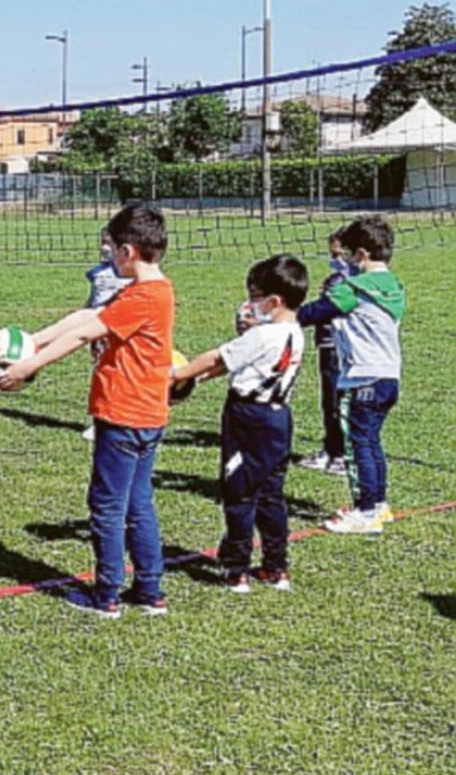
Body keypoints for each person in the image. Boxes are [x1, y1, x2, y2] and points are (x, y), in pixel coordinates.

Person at [0, 205, 175, 618]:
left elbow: (82, 333)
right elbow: (86, 315)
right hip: (149, 414)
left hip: (124, 414)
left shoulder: (143, 297)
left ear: (128, 252)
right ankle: (150, 590)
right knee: (138, 503)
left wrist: (28, 367)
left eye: (111, 250)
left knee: (109, 505)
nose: (109, 257)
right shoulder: (153, 290)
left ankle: (107, 595)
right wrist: (32, 342)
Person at [173, 255, 309, 592]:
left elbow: (218, 357)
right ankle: (276, 567)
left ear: (273, 301)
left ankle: (236, 569)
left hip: (247, 418)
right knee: (271, 494)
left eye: (254, 296)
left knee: (239, 492)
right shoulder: (294, 332)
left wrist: (177, 374)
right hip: (278, 419)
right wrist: (199, 380)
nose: (249, 305)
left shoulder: (262, 336)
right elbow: (232, 365)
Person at [297, 216, 405, 535]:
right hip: (388, 377)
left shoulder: (354, 289)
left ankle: (365, 510)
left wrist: (279, 316)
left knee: (358, 446)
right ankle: (379, 504)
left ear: (360, 255)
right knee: (371, 442)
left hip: (362, 378)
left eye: (348, 255)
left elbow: (316, 312)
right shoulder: (394, 286)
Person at [297, 227, 350, 477]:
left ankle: (340, 454)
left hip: (336, 347)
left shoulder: (345, 281)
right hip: (328, 345)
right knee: (329, 401)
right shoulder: (339, 278)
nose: (334, 258)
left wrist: (287, 317)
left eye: (338, 253)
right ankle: (331, 449)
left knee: (336, 402)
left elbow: (323, 309)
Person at [78, 239, 134, 442]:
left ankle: (119, 417)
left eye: (110, 243)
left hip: (116, 329)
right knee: (100, 373)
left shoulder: (128, 275)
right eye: (102, 242)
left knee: (119, 373)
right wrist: (82, 314)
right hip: (96, 330)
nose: (105, 248)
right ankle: (99, 421)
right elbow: (93, 299)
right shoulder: (98, 273)